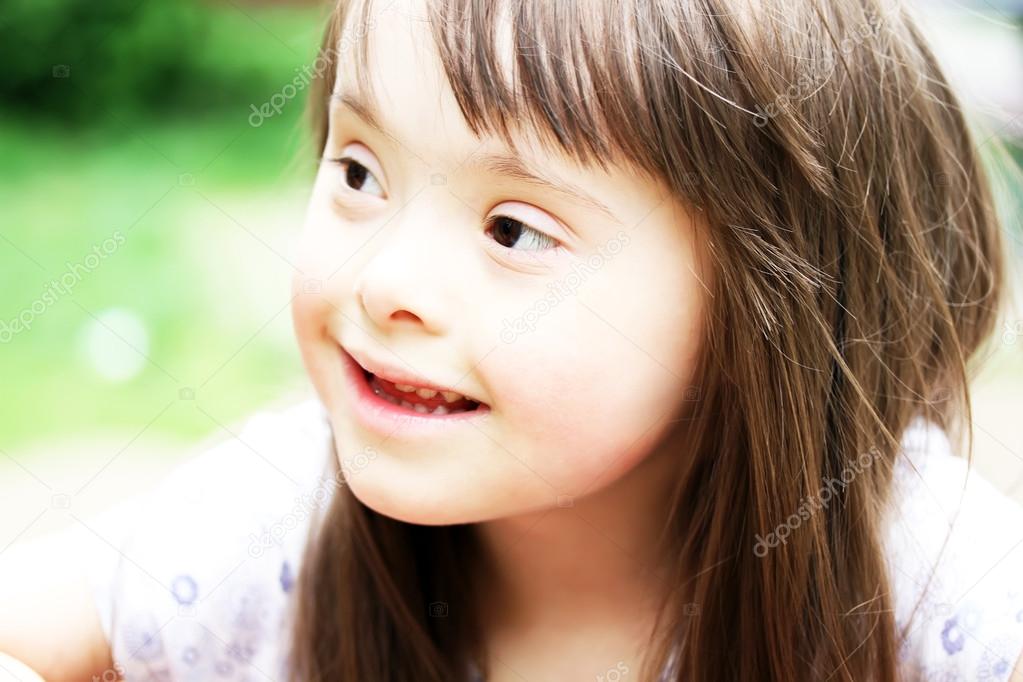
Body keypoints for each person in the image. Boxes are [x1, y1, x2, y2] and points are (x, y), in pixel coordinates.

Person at [2, 0, 1023, 680]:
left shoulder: (933, 589)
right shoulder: (277, 523)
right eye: (359, 171)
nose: (385, 282)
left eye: (513, 230)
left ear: (771, 303)